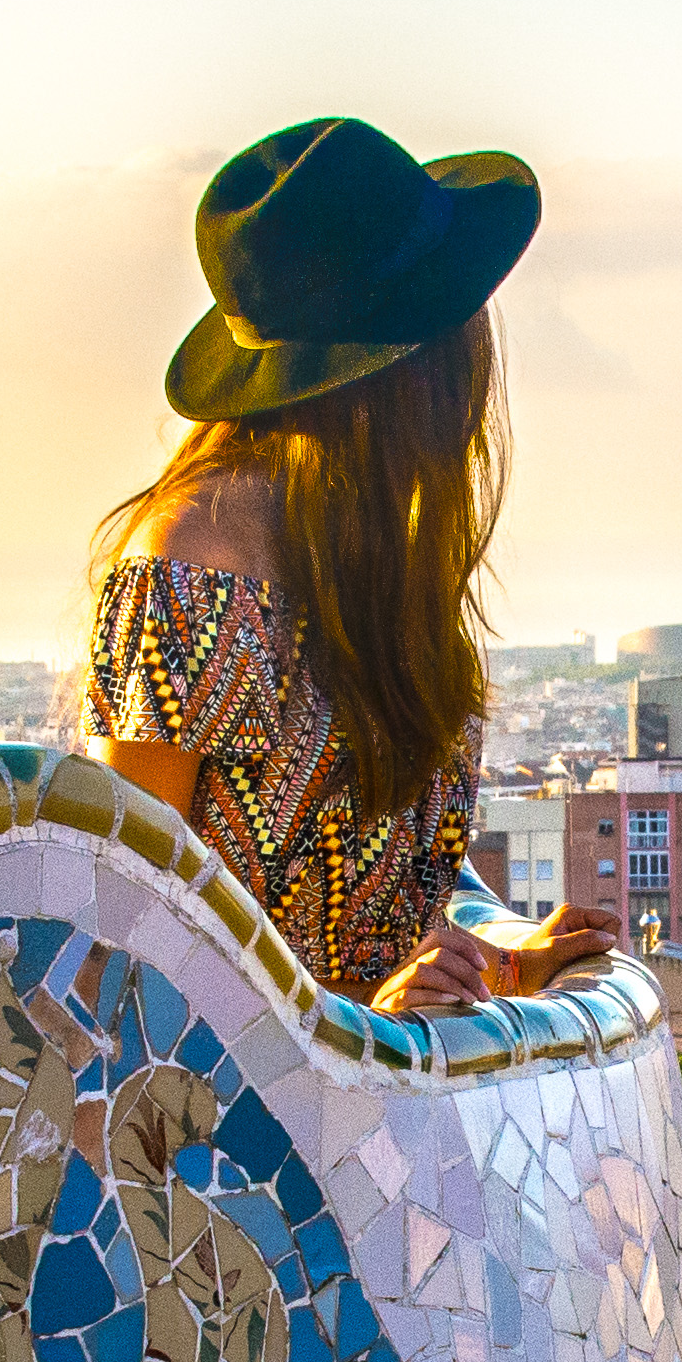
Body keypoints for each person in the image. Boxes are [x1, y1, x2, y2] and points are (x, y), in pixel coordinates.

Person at [86, 116, 611, 1016]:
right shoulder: (196, 566)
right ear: (415, 365)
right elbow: (122, 940)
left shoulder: (368, 556)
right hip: (241, 1102)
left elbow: (353, 922)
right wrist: (365, 1019)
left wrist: (502, 966)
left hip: (374, 1089)